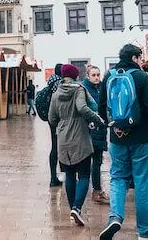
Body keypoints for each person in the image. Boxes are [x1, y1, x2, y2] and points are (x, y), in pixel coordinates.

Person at [99, 44, 148, 240]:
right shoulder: (142, 77)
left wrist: (115, 125)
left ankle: (115, 217)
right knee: (142, 181)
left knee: (118, 177)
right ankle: (145, 230)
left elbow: (102, 107)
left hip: (117, 137)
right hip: (141, 137)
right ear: (135, 58)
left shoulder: (109, 76)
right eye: (140, 58)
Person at [49, 63, 104, 226]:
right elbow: (82, 107)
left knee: (70, 174)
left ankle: (73, 209)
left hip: (63, 138)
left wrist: (63, 122)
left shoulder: (56, 93)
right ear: (75, 76)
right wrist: (97, 118)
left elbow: (52, 118)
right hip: (80, 135)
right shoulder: (79, 89)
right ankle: (77, 208)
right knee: (84, 174)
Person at [82, 65, 109, 205]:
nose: (97, 77)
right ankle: (94, 190)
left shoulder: (99, 88)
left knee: (97, 162)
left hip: (99, 130)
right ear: (88, 76)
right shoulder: (85, 90)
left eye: (98, 74)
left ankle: (96, 190)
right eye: (93, 75)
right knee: (91, 162)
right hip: (90, 130)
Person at [47, 63, 64, 187]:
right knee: (61, 148)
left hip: (51, 118)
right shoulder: (60, 84)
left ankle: (53, 177)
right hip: (60, 119)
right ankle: (61, 177)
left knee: (54, 147)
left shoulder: (51, 82)